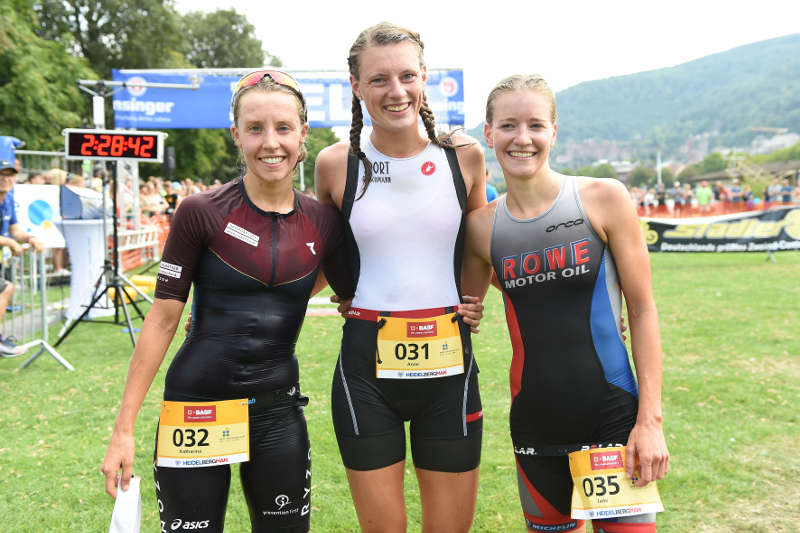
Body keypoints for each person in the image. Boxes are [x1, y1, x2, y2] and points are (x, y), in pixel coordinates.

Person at [101, 70, 354, 533]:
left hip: (277, 412)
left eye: (282, 128)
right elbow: (161, 320)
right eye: (255, 129)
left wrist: (461, 299)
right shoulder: (201, 212)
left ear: (303, 134)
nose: (270, 143)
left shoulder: (324, 221)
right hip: (196, 405)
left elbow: (349, 290)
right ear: (236, 135)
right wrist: (124, 429)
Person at [462, 75, 669, 533]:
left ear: (554, 132)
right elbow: (462, 303)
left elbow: (642, 310)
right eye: (509, 125)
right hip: (536, 423)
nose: (522, 138)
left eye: (535, 125)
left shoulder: (602, 198)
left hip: (613, 417)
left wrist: (650, 421)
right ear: (489, 133)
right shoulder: (481, 228)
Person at [314, 22, 487, 533]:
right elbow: (316, 256)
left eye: (407, 76)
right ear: (355, 85)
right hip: (366, 367)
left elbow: (481, 242)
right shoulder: (333, 165)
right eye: (379, 79)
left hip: (449, 364)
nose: (396, 91)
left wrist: (472, 298)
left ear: (424, 77)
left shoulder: (463, 155)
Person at [0, 157, 44, 355]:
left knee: (6, 288)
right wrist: (9, 242)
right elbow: (10, 237)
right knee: (6, 288)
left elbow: (14, 229)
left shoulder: (8, 199)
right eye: (1, 175)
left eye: (9, 175)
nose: (5, 179)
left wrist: (30, 238)